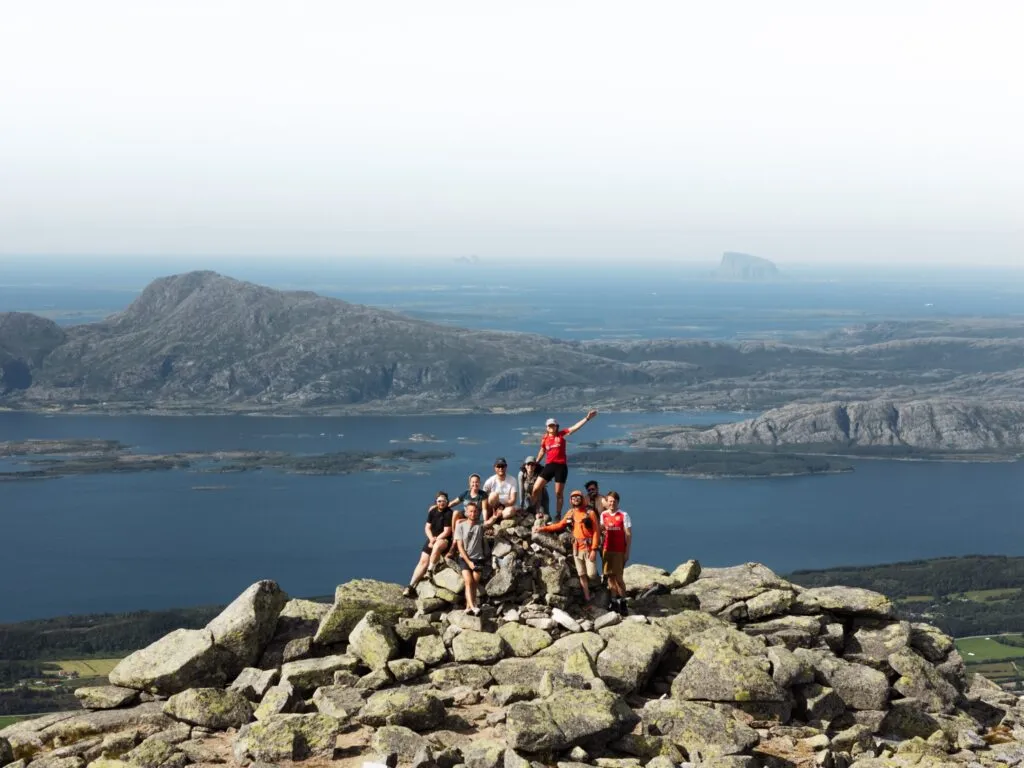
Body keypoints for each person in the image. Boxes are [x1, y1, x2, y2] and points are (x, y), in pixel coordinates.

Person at [535, 489, 601, 603]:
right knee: (581, 574)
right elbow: (559, 525)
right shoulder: (571, 513)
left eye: (578, 497)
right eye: (573, 497)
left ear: (582, 499)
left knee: (592, 574)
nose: (576, 499)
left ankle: (598, 587)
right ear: (571, 500)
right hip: (576, 548)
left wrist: (594, 549)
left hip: (588, 548)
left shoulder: (590, 513)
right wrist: (542, 528)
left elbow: (596, 531)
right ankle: (587, 597)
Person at [532, 410, 598, 519]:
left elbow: (575, 427)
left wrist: (587, 418)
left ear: (556, 426)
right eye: (549, 426)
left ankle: (558, 515)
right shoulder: (545, 438)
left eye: (553, 425)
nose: (552, 427)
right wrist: (536, 462)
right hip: (549, 466)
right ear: (547, 428)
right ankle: (534, 509)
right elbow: (542, 451)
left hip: (561, 467)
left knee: (558, 493)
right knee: (535, 488)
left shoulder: (561, 434)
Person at [403, 491, 453, 598]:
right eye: (439, 501)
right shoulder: (432, 511)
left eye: (443, 501)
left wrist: (435, 540)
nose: (441, 503)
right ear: (436, 502)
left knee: (436, 546)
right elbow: (427, 527)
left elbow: (447, 531)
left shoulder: (449, 513)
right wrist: (431, 538)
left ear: (447, 502)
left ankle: (429, 571)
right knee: (422, 561)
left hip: (443, 540)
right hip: (432, 538)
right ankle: (410, 586)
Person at [453, 501, 497, 615]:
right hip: (464, 559)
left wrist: (496, 515)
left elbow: (489, 522)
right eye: (471, 511)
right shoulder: (460, 526)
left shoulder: (480, 525)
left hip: (479, 558)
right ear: (466, 513)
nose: (473, 513)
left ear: (478, 513)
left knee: (474, 583)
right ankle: (474, 606)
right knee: (468, 581)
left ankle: (468, 607)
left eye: (475, 511)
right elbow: (460, 546)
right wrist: (469, 562)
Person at [600, 490, 632, 615]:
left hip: (619, 550)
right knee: (610, 577)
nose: (612, 503)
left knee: (619, 578)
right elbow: (602, 529)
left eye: (614, 501)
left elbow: (628, 534)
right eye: (610, 501)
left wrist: (627, 552)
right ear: (606, 502)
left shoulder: (624, 515)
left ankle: (623, 602)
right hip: (607, 549)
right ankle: (614, 602)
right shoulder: (603, 515)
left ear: (618, 502)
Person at [518, 456, 549, 523]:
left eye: (532, 464)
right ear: (525, 465)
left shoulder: (540, 475)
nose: (530, 466)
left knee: (544, 515)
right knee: (529, 513)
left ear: (535, 466)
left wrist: (538, 510)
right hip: (528, 497)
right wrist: (521, 507)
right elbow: (521, 491)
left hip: (542, 497)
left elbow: (539, 492)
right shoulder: (521, 474)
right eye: (528, 464)